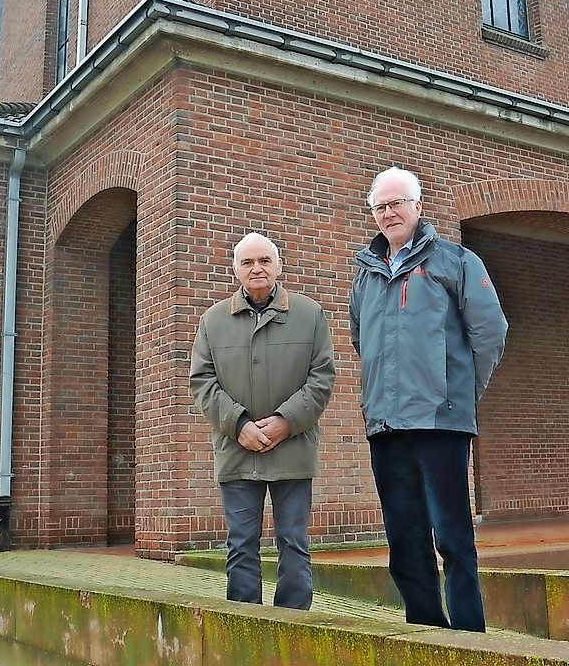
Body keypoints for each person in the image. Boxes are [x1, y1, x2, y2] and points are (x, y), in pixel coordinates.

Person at [349, 167, 508, 632]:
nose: (389, 212)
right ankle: (426, 632)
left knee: (454, 539)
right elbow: (363, 340)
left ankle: (470, 638)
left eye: (397, 202)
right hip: (386, 426)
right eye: (380, 206)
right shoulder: (366, 276)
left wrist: (459, 394)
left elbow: (490, 332)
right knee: (404, 541)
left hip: (441, 424)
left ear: (419, 206)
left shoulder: (456, 262)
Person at [189, 232, 336, 609]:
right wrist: (239, 425)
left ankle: (293, 625)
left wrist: (286, 422)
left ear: (279, 266)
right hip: (237, 453)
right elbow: (202, 382)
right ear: (235, 269)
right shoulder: (212, 320)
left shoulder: (310, 314)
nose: (257, 269)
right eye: (248, 262)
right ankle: (244, 624)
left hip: (293, 450)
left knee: (294, 543)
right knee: (240, 545)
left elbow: (321, 378)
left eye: (265, 261)